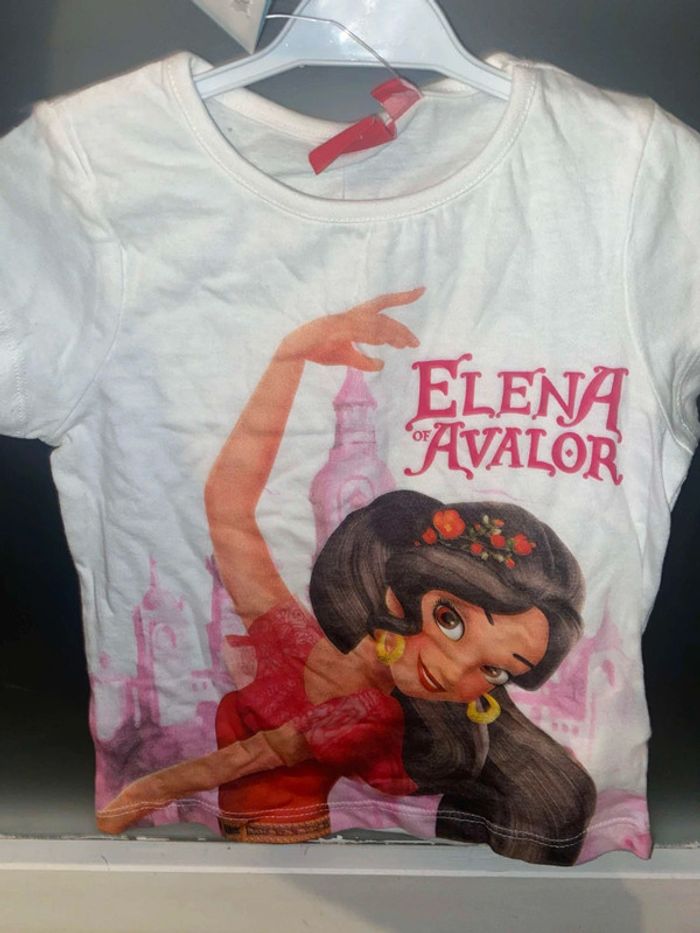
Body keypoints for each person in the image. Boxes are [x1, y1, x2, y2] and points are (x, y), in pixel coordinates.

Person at [97, 288, 596, 864]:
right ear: (403, 587)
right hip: (249, 865)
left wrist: (143, 793)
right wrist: (289, 358)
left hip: (315, 867)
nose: (451, 670)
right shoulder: (293, 642)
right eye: (450, 621)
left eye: (495, 671)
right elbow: (227, 506)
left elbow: (241, 759)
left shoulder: (368, 711)